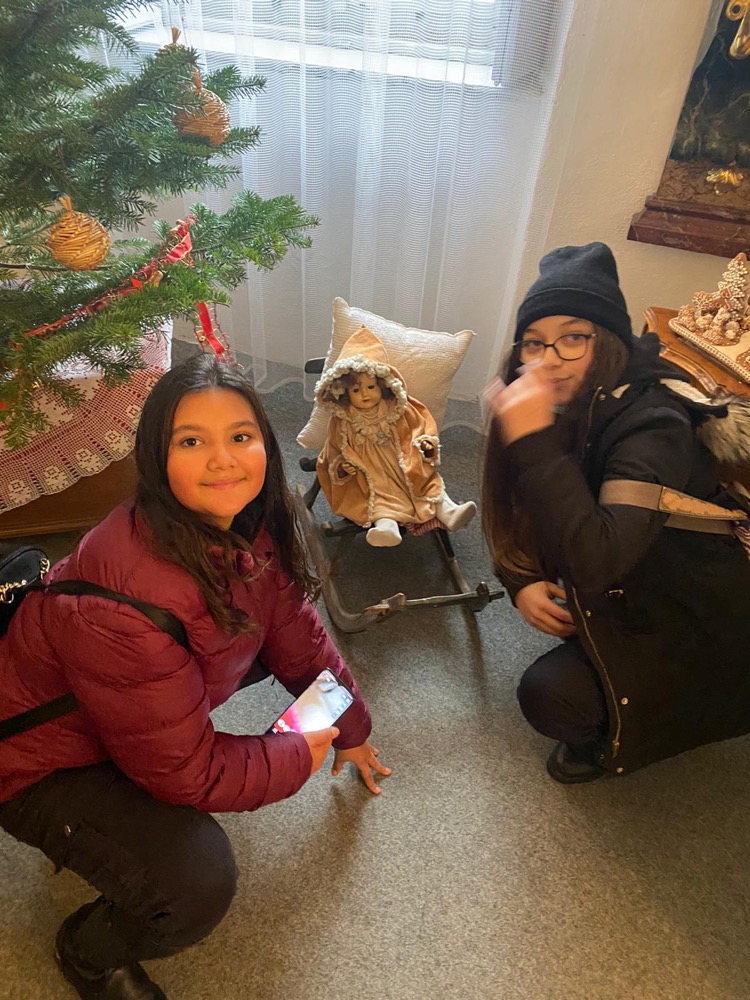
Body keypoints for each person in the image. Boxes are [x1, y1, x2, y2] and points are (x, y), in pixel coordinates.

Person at [0, 353, 390, 1000]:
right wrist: (300, 749)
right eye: (191, 442)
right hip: (37, 761)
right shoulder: (124, 602)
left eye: (240, 436)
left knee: (266, 645)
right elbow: (187, 774)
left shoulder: (246, 523)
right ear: (157, 458)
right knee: (195, 881)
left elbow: (297, 638)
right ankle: (87, 950)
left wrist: (349, 726)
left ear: (265, 444)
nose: (223, 460)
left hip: (119, 712)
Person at [481, 241, 750, 784]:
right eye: (534, 342)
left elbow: (596, 563)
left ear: (605, 339)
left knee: (552, 698)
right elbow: (518, 506)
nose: (548, 358)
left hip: (693, 604)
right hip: (629, 570)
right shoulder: (566, 399)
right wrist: (520, 580)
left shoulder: (655, 423)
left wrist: (533, 443)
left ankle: (629, 731)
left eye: (572, 337)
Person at [316, 325, 476, 546]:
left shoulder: (399, 407)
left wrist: (425, 443)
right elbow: (334, 449)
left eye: (371, 387)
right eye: (356, 390)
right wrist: (343, 466)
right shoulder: (342, 420)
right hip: (370, 468)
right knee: (380, 497)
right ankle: (386, 528)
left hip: (402, 457)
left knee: (426, 483)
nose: (365, 394)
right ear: (344, 392)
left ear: (383, 385)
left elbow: (420, 425)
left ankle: (449, 512)